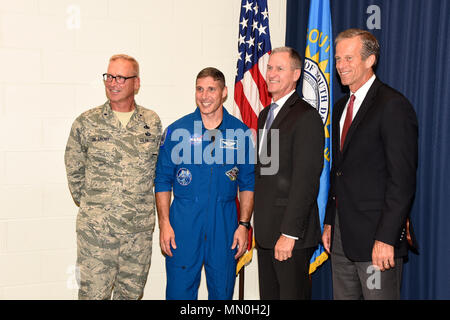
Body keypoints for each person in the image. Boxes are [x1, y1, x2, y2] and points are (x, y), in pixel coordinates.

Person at [322, 28, 418, 300]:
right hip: (341, 236)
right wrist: (330, 221)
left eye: (349, 59)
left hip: (377, 238)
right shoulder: (341, 107)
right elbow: (338, 171)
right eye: (338, 59)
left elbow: (402, 180)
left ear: (370, 60)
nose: (341, 66)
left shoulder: (393, 106)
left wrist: (387, 237)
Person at [64, 54, 162, 299]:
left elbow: (158, 170)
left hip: (137, 233)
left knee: (131, 295)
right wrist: (98, 207)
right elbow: (74, 170)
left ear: (136, 83)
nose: (113, 82)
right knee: (93, 294)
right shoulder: (86, 122)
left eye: (121, 77)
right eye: (109, 76)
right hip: (97, 233)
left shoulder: (152, 122)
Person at [154, 67, 255, 300]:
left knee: (222, 293)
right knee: (179, 293)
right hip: (184, 224)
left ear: (224, 93)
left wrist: (243, 226)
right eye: (200, 89)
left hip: (224, 223)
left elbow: (248, 183)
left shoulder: (240, 133)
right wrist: (165, 224)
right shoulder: (177, 131)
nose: (204, 95)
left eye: (211, 89)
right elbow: (162, 181)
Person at [254, 47, 324, 300]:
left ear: (296, 74)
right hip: (265, 232)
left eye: (279, 69)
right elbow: (267, 173)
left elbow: (306, 181)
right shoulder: (265, 115)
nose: (271, 74)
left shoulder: (306, 117)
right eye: (270, 68)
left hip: (289, 235)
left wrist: (289, 233)